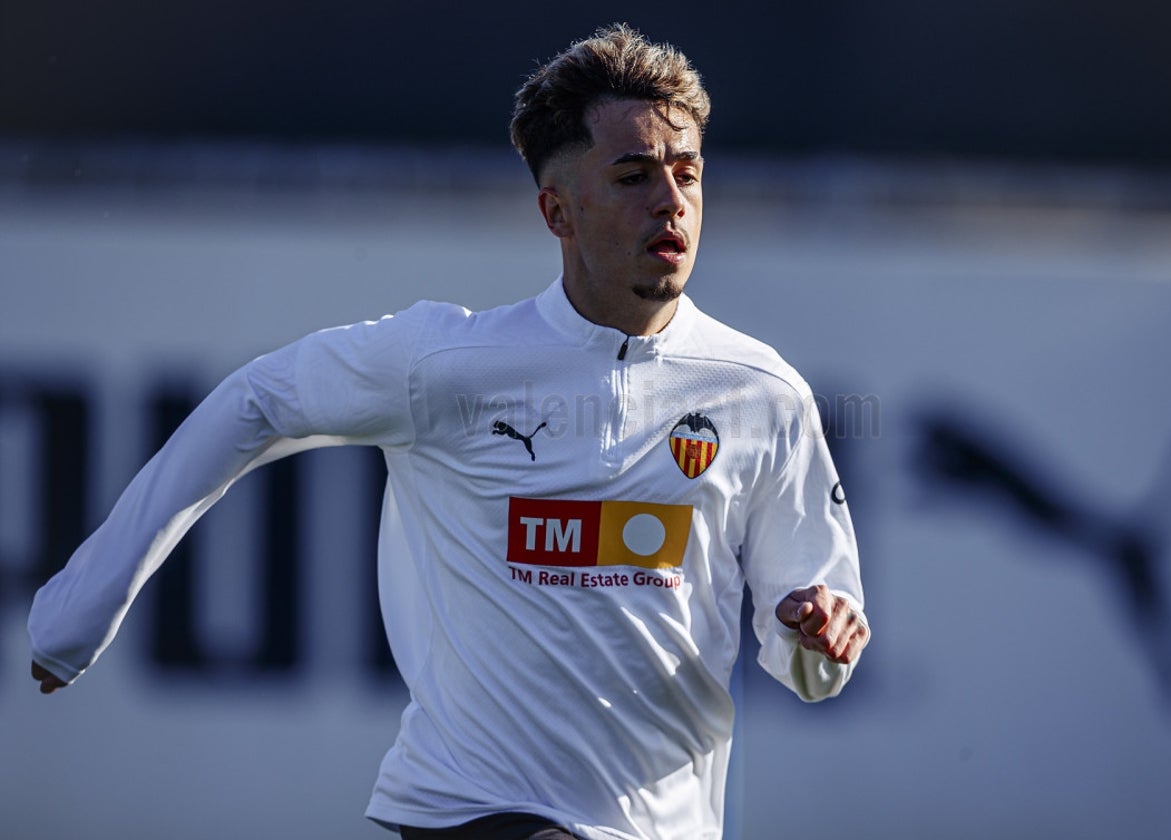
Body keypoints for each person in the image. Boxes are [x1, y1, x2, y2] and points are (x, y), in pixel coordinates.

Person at [29, 23, 869, 840]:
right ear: (557, 212)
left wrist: (817, 636)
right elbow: (256, 400)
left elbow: (811, 663)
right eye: (631, 176)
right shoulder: (447, 363)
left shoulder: (762, 393)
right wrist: (79, 609)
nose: (670, 201)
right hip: (474, 806)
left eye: (687, 173)